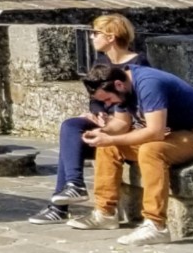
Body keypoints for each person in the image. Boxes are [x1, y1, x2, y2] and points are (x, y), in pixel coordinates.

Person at [68, 60, 193, 245]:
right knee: (108, 146)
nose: (108, 104)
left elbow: (155, 132)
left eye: (108, 100)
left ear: (118, 85)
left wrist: (111, 138)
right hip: (175, 134)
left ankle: (156, 225)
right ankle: (105, 213)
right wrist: (103, 132)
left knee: (151, 150)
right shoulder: (122, 87)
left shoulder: (149, 84)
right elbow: (121, 124)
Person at [30, 15, 146, 224]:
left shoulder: (138, 64)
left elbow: (135, 104)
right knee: (71, 128)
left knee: (72, 143)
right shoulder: (101, 62)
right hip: (107, 120)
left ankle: (60, 207)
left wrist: (110, 120)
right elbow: (95, 98)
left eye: (95, 33)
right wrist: (96, 112)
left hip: (128, 126)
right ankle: (74, 186)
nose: (92, 37)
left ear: (110, 37)